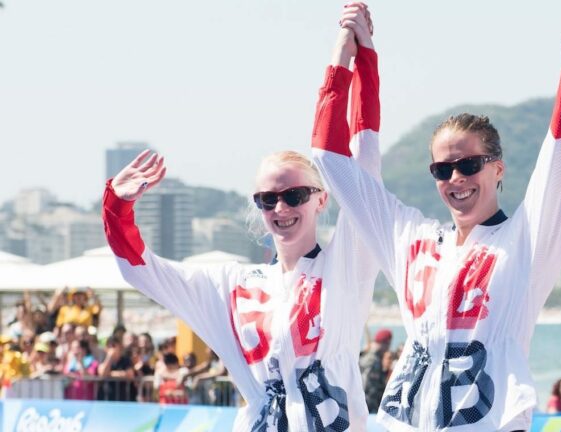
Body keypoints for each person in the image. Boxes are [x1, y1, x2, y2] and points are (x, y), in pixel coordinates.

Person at [311, 1, 561, 430]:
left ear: (497, 168)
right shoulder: (409, 238)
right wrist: (352, 51)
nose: (456, 178)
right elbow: (328, 154)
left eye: (469, 165)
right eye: (442, 169)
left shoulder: (527, 238)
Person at [101, 4, 381, 429]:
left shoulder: (347, 262)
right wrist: (117, 206)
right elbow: (140, 270)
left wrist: (351, 56)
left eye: (295, 195)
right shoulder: (230, 286)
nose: (281, 208)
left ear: (321, 199)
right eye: (268, 199)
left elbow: (361, 162)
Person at [359, 328, 392, 413]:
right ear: (384, 343)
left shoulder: (370, 356)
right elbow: (367, 386)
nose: (388, 347)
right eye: (388, 344)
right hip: (368, 407)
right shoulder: (372, 360)